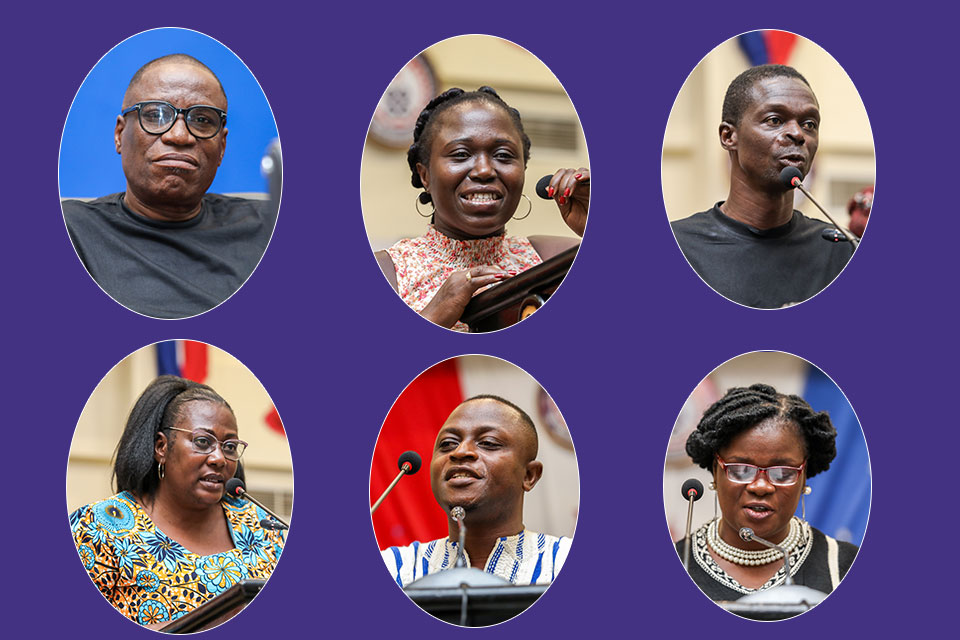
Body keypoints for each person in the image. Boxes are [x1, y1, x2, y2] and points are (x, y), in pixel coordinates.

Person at [62, 54, 276, 319]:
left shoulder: (269, 226)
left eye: (202, 120)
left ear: (222, 147)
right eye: (155, 115)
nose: (179, 136)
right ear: (119, 135)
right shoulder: (71, 230)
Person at [70, 376, 284, 629]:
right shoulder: (98, 528)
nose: (219, 458)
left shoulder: (264, 526)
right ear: (161, 447)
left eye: (229, 446)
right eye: (203, 442)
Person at [374, 87, 589, 330]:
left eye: (503, 155)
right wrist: (434, 316)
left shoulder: (554, 258)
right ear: (425, 176)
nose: (485, 170)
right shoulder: (386, 272)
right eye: (461, 154)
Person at [671, 65, 855, 308]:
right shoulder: (680, 245)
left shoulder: (842, 251)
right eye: (775, 120)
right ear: (729, 137)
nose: (797, 134)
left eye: (809, 124)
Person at [677, 384, 858, 616]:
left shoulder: (844, 566)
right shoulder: (679, 562)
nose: (760, 486)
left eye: (783, 473)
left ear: (804, 479)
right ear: (715, 471)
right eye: (741, 469)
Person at [381, 395, 572, 588]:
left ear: (529, 475)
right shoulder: (394, 568)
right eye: (448, 444)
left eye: (488, 442)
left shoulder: (562, 560)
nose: (460, 451)